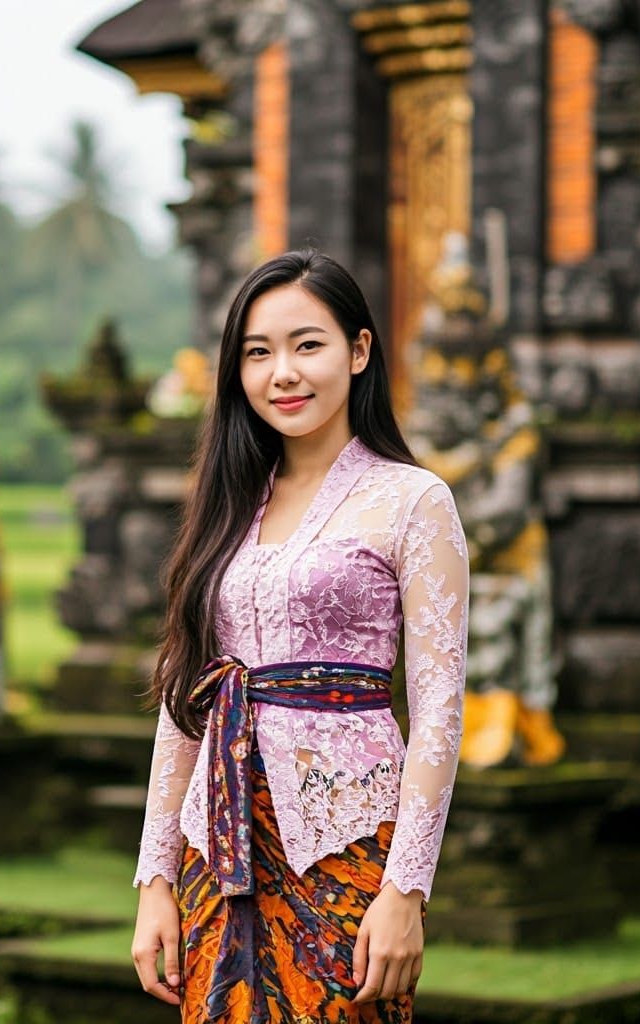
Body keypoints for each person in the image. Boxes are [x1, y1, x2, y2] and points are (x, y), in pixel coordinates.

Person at [131, 249, 469, 1023]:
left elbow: (440, 713)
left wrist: (406, 890)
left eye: (306, 345)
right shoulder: (228, 503)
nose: (282, 371)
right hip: (214, 851)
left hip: (348, 843)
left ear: (358, 351)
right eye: (258, 353)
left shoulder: (413, 502)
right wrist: (155, 877)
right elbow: (189, 696)